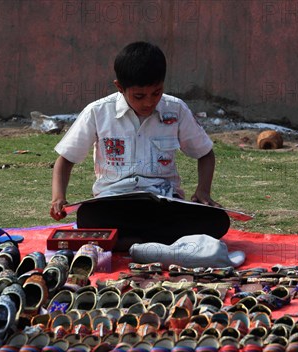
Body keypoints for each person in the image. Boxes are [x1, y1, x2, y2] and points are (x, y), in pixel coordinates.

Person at [50, 41, 229, 250]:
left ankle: (129, 243)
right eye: (139, 96)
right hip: (114, 204)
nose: (149, 102)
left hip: (163, 204)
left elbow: (205, 153)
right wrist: (58, 197)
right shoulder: (98, 112)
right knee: (89, 217)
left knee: (217, 220)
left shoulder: (176, 110)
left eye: (156, 92)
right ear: (120, 87)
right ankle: (163, 243)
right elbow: (65, 160)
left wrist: (203, 191)